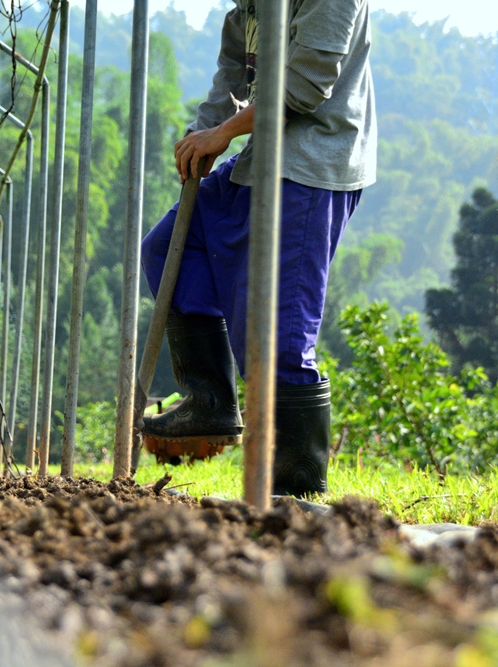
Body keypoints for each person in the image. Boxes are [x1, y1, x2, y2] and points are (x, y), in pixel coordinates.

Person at [139, 0, 377, 497]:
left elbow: (308, 85)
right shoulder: (247, 7)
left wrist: (222, 133)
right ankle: (210, 401)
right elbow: (232, 73)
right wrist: (199, 135)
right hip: (257, 157)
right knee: (169, 250)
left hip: (312, 165)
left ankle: (296, 487)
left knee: (280, 336)